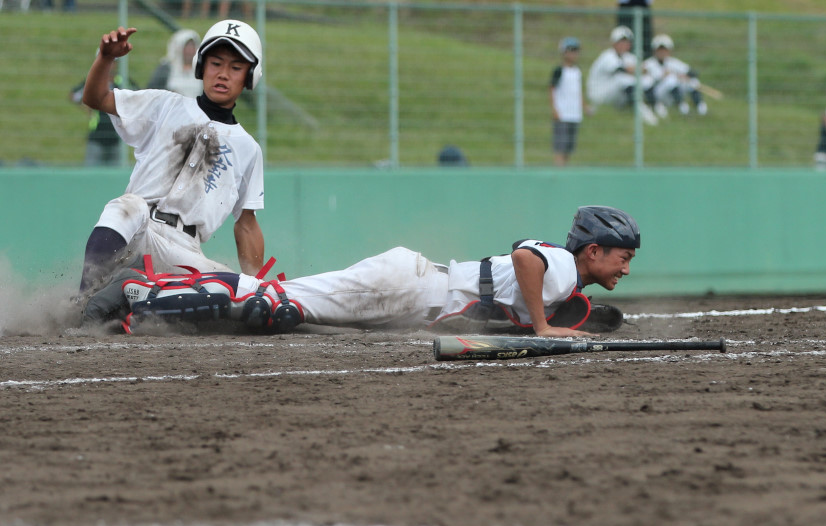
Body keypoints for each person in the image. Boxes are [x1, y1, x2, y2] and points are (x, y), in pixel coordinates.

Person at [83, 206, 641, 338]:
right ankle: (138, 291)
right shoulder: (564, 266)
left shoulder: (571, 281)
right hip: (409, 287)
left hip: (407, 294)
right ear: (592, 251)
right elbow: (525, 257)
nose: (626, 264)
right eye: (621, 253)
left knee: (276, 311)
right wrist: (544, 326)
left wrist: (564, 324)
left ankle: (146, 302)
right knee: (273, 304)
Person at [76, 20, 267, 298]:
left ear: (250, 76)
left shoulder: (248, 149)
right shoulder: (165, 104)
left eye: (236, 68)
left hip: (185, 251)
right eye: (216, 63)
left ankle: (133, 300)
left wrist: (256, 286)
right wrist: (106, 58)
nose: (223, 74)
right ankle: (84, 301)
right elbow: (95, 98)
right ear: (201, 66)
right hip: (139, 231)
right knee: (126, 207)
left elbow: (247, 224)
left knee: (232, 290)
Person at [69, 56, 136, 167]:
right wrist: (86, 107)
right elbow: (74, 95)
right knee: (91, 175)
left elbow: (138, 96)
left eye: (113, 62)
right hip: (96, 136)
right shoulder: (94, 80)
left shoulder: (123, 81)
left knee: (115, 176)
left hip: (117, 137)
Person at [587, 26, 658, 126]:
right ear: (614, 43)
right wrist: (638, 70)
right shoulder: (607, 56)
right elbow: (622, 69)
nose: (624, 45)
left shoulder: (629, 57)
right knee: (621, 78)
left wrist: (639, 70)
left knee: (646, 80)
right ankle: (643, 111)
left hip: (616, 94)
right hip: (599, 94)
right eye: (621, 41)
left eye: (626, 42)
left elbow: (644, 70)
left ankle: (655, 106)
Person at [641, 34, 706, 118]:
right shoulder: (648, 64)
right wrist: (662, 77)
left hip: (675, 92)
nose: (662, 52)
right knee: (670, 80)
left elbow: (693, 73)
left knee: (693, 82)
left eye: (665, 50)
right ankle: (682, 107)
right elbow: (647, 83)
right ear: (654, 51)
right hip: (658, 93)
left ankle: (701, 107)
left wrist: (684, 75)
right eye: (659, 50)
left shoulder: (673, 62)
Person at [550, 37, 586, 167]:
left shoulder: (577, 72)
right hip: (563, 114)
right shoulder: (559, 71)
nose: (573, 54)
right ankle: (558, 170)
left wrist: (584, 107)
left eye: (575, 51)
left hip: (574, 115)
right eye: (570, 51)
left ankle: (564, 169)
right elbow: (552, 89)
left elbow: (578, 92)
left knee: (569, 147)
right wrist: (555, 109)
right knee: (560, 146)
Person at [147, 29, 203, 99]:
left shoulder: (201, 69)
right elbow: (153, 91)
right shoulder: (166, 68)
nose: (190, 50)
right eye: (187, 47)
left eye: (192, 46)